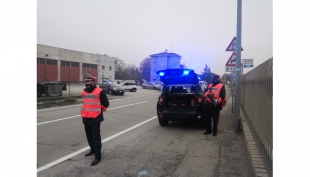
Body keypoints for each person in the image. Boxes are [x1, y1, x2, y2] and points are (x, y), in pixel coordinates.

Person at [81, 74, 109, 166]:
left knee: (96, 136)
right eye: (85, 82)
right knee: (89, 136)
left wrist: (102, 108)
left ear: (93, 82)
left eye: (88, 82)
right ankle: (92, 150)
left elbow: (106, 103)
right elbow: (85, 103)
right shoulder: (84, 92)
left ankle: (98, 156)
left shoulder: (100, 91)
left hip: (96, 117)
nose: (86, 84)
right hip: (86, 117)